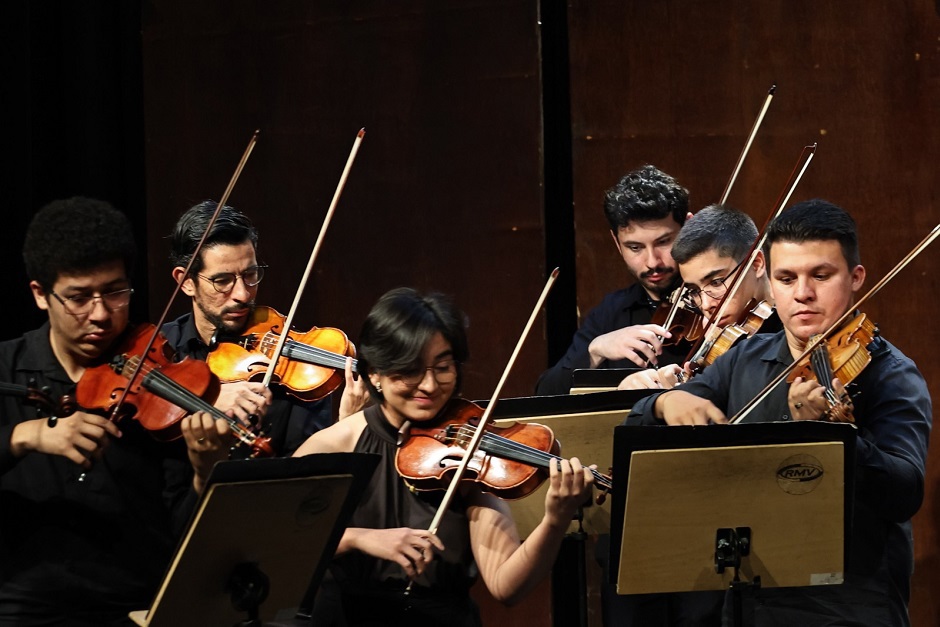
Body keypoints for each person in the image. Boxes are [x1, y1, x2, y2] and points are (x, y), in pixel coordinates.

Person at [627, 199, 931, 626]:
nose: (802, 293)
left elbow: (904, 493)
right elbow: (637, 424)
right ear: (769, 279)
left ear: (856, 277)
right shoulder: (743, 357)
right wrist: (664, 401)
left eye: (820, 276)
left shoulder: (890, 372)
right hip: (750, 603)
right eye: (786, 278)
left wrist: (836, 436)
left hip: (849, 607)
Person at [293, 288, 595, 626]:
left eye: (442, 368)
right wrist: (358, 538)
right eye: (410, 370)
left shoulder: (466, 453)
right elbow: (279, 546)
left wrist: (555, 520)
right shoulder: (335, 445)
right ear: (374, 373)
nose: (430, 385)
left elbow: (506, 585)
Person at [0, 197, 223, 626]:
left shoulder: (160, 381)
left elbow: (183, 533)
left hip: (135, 608)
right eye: (79, 298)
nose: (101, 314)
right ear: (41, 295)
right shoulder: (6, 368)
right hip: (23, 610)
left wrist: (204, 472)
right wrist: (26, 435)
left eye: (115, 292)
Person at [163, 201, 368, 458]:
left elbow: (306, 471)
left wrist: (345, 425)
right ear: (185, 282)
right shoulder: (161, 348)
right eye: (222, 281)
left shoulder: (299, 372)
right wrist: (205, 398)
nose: (242, 294)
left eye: (250, 274)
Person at [536, 165, 692, 395]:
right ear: (617, 243)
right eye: (635, 247)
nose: (652, 262)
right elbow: (546, 392)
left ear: (689, 227)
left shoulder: (715, 300)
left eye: (663, 242)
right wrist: (595, 350)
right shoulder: (611, 312)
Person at [620, 204, 781, 390]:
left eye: (716, 282)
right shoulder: (718, 341)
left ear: (756, 264)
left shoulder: (791, 331)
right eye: (695, 290)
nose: (705, 305)